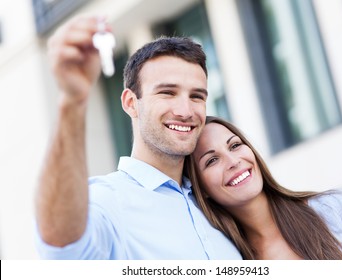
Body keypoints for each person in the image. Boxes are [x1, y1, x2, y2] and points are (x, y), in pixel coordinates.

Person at [34, 15, 242, 260]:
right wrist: (72, 100)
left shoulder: (216, 198)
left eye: (197, 96)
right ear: (131, 103)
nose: (186, 111)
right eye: (167, 93)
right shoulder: (109, 201)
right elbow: (62, 245)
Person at [185, 116, 342, 260]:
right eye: (212, 160)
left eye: (235, 146)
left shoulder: (337, 207)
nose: (233, 161)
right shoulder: (231, 261)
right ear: (200, 189)